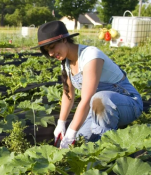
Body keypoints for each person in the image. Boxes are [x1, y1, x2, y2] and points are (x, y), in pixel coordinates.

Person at [32, 21, 143, 149]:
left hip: (128, 104)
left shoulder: (91, 56)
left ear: (64, 40)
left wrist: (71, 132)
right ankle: (101, 135)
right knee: (80, 143)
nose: (50, 54)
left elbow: (87, 99)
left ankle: (107, 148)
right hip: (97, 109)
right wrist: (61, 123)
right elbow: (68, 94)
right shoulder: (67, 62)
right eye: (47, 50)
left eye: (52, 47)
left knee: (100, 100)